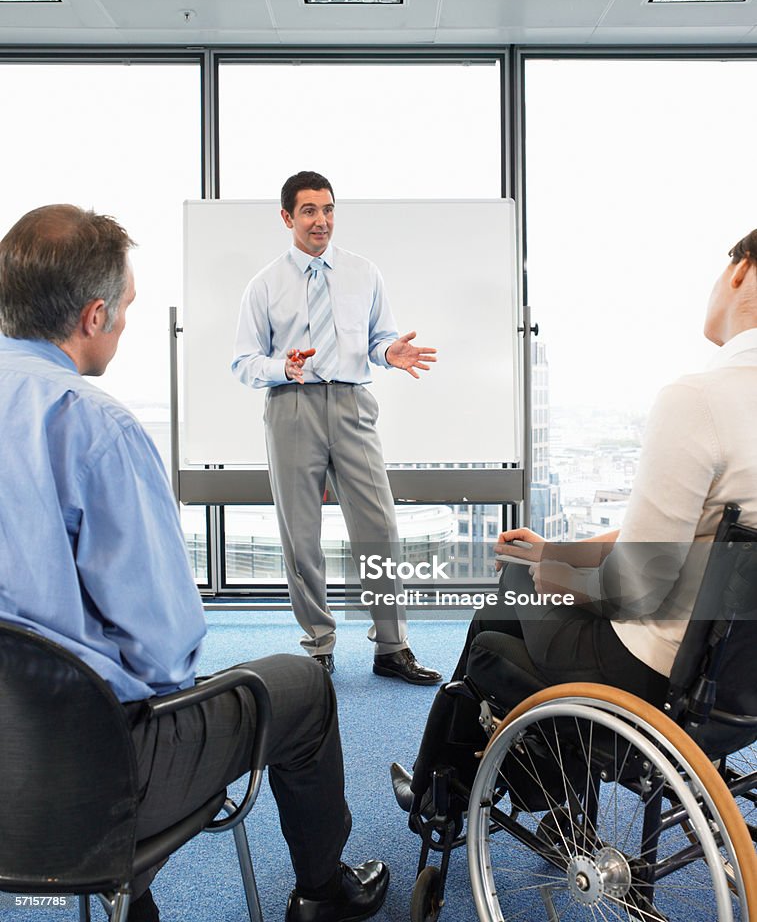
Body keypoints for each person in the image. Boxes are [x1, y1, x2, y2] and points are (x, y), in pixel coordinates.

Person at [0, 204, 389, 922]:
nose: (124, 323)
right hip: (94, 771)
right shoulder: (96, 428)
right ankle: (322, 894)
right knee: (301, 687)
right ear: (93, 317)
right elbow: (166, 653)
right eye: (125, 310)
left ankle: (129, 899)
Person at [397, 228, 757, 804]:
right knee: (526, 574)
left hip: (659, 676)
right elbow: (698, 535)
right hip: (742, 684)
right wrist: (557, 551)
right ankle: (497, 776)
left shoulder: (700, 399)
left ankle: (451, 786)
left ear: (739, 270)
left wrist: (556, 579)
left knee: (509, 595)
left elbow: (635, 589)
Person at [232, 170, 442, 685]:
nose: (321, 220)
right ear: (287, 218)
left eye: (327, 209)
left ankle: (392, 648)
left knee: (380, 528)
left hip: (351, 405)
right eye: (308, 211)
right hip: (291, 407)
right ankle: (319, 645)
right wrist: (285, 367)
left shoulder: (363, 273)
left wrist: (390, 352)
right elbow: (242, 362)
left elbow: (379, 340)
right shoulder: (264, 285)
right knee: (300, 535)